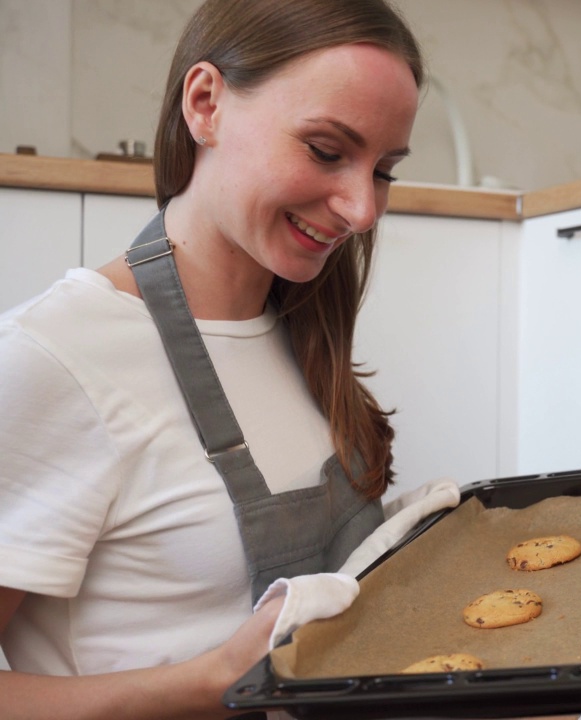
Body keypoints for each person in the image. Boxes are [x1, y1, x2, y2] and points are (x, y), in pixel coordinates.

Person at [0, 0, 433, 716]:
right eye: (327, 151)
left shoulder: (299, 323)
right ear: (206, 104)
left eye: (383, 169)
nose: (361, 210)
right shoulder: (55, 358)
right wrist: (214, 678)